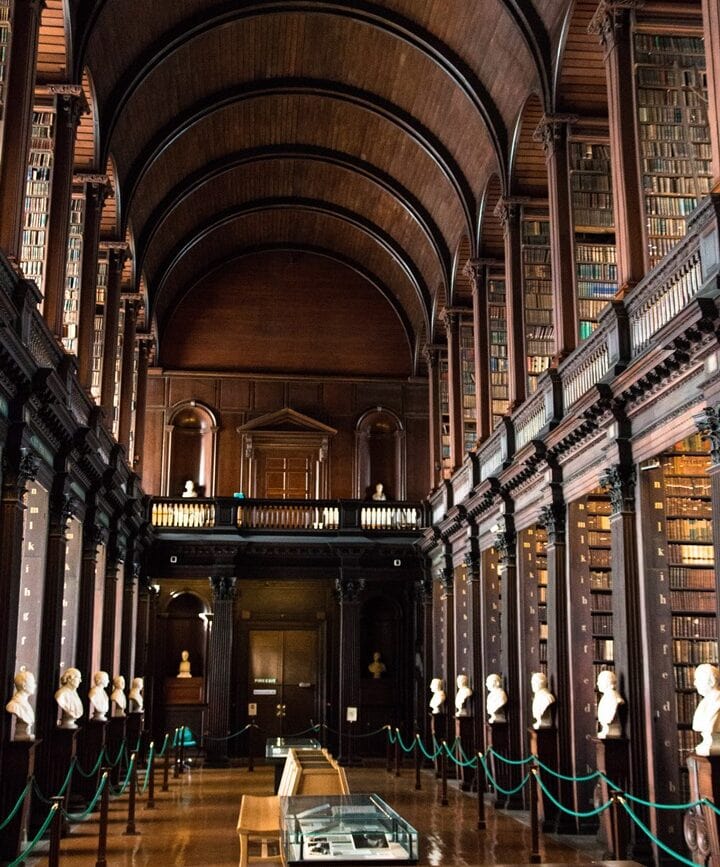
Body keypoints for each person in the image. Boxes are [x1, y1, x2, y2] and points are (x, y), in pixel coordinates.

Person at [692, 663, 720, 756]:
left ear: (711, 682)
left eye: (698, 679)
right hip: (708, 744)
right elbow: (697, 726)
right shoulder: (704, 702)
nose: (694, 683)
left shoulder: (717, 702)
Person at [6, 670, 36, 740]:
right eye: (33, 683)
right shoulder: (13, 705)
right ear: (24, 686)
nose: (35, 686)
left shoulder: (26, 703)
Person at [597, 669, 624, 739]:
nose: (597, 683)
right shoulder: (607, 696)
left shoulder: (612, 697)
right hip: (608, 731)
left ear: (607, 682)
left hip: (613, 731)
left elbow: (609, 718)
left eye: (599, 681)